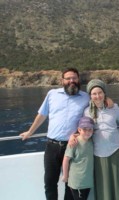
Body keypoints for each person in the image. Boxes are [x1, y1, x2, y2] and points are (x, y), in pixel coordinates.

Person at [20, 67, 90, 200]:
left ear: (78, 79)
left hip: (73, 146)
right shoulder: (52, 94)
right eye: (68, 78)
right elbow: (42, 115)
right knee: (50, 182)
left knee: (71, 184)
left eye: (74, 78)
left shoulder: (86, 97)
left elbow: (95, 111)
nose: (71, 81)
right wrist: (30, 132)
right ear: (62, 80)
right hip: (52, 146)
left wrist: (109, 103)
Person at [84, 79, 119, 200]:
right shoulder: (86, 112)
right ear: (90, 96)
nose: (97, 96)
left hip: (116, 151)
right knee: (104, 187)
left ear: (104, 93)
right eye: (94, 94)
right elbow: (83, 130)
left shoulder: (114, 107)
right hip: (98, 154)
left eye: (100, 92)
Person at [62, 116, 95, 200]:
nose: (87, 132)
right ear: (79, 130)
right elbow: (66, 159)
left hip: (87, 181)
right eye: (84, 129)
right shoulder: (73, 143)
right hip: (77, 182)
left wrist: (73, 135)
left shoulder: (91, 140)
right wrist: (65, 176)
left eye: (90, 129)